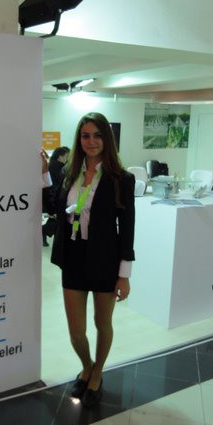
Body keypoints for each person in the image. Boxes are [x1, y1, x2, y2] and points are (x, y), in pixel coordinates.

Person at [46, 112, 135, 408]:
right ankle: (87, 365)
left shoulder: (121, 178)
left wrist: (124, 274)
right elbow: (53, 206)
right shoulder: (69, 172)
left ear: (106, 139)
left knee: (102, 322)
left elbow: (127, 229)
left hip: (105, 260)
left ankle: (97, 372)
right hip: (73, 257)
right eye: (85, 136)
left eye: (97, 135)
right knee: (76, 331)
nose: (91, 141)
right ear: (79, 139)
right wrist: (43, 174)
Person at [42, 147, 70, 246]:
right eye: (67, 156)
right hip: (55, 197)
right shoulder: (59, 167)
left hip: (51, 197)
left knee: (54, 219)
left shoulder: (52, 165)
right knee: (59, 220)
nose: (68, 158)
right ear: (60, 156)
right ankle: (43, 231)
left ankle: (44, 233)